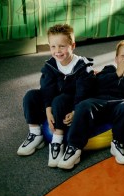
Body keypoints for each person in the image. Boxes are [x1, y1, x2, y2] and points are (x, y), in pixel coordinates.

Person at [17, 24, 95, 168]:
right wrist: (47, 109)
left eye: (62, 46)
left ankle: (57, 141)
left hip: (71, 102)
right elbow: (47, 88)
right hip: (54, 101)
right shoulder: (51, 65)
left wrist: (75, 111)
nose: (57, 51)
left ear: (73, 45)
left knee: (59, 100)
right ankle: (35, 134)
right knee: (30, 96)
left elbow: (84, 92)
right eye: (53, 47)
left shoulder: (82, 66)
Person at [57, 39, 124, 169]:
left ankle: (118, 143)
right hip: (98, 102)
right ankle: (74, 147)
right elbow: (96, 83)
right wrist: (117, 73)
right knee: (83, 105)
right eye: (123, 56)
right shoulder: (109, 70)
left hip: (119, 106)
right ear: (116, 59)